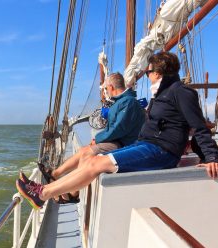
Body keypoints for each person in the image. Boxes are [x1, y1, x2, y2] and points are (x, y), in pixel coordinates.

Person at [16, 51, 218, 210]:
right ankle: (58, 191)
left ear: (158, 73)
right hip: (148, 146)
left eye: (148, 72)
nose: (147, 76)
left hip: (162, 152)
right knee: (88, 160)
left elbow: (198, 125)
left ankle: (42, 194)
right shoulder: (164, 93)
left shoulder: (181, 92)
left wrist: (212, 156)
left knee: (96, 163)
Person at [36, 72, 145, 203]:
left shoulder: (128, 103)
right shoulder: (122, 102)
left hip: (124, 144)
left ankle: (72, 193)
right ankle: (55, 175)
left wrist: (97, 139)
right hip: (117, 141)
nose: (106, 91)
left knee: (86, 153)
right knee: (83, 151)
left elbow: (119, 129)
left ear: (110, 87)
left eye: (105, 88)